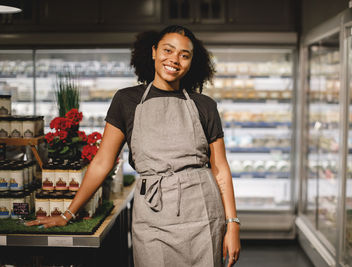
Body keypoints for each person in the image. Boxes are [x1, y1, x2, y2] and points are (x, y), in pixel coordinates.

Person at [27, 25, 241, 267]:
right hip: (152, 214)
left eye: (184, 55)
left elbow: (220, 168)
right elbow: (102, 162)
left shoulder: (205, 105)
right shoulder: (126, 101)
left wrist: (232, 224)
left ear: (191, 62)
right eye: (168, 50)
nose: (174, 60)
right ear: (153, 52)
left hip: (202, 212)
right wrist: (68, 213)